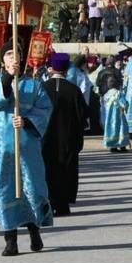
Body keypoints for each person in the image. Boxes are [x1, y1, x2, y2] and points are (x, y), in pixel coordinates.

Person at [0, 39, 53, 256]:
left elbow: (45, 109)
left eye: (17, 54)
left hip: (26, 147)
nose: (13, 58)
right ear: (3, 59)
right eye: (9, 54)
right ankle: (10, 239)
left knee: (31, 187)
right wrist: (7, 78)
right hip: (0, 147)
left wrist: (28, 121)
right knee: (4, 189)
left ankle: (34, 230)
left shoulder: (33, 85)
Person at [41, 53, 88, 216]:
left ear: (51, 68)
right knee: (66, 170)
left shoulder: (42, 88)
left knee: (47, 168)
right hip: (68, 138)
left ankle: (48, 202)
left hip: (45, 138)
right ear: (67, 68)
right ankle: (63, 204)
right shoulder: (74, 90)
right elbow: (83, 116)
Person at [102, 75, 129, 151]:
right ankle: (122, 145)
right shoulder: (119, 93)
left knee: (111, 128)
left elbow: (104, 105)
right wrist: (126, 105)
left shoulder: (106, 95)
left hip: (110, 117)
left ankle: (112, 146)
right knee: (121, 128)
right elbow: (124, 103)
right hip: (119, 116)